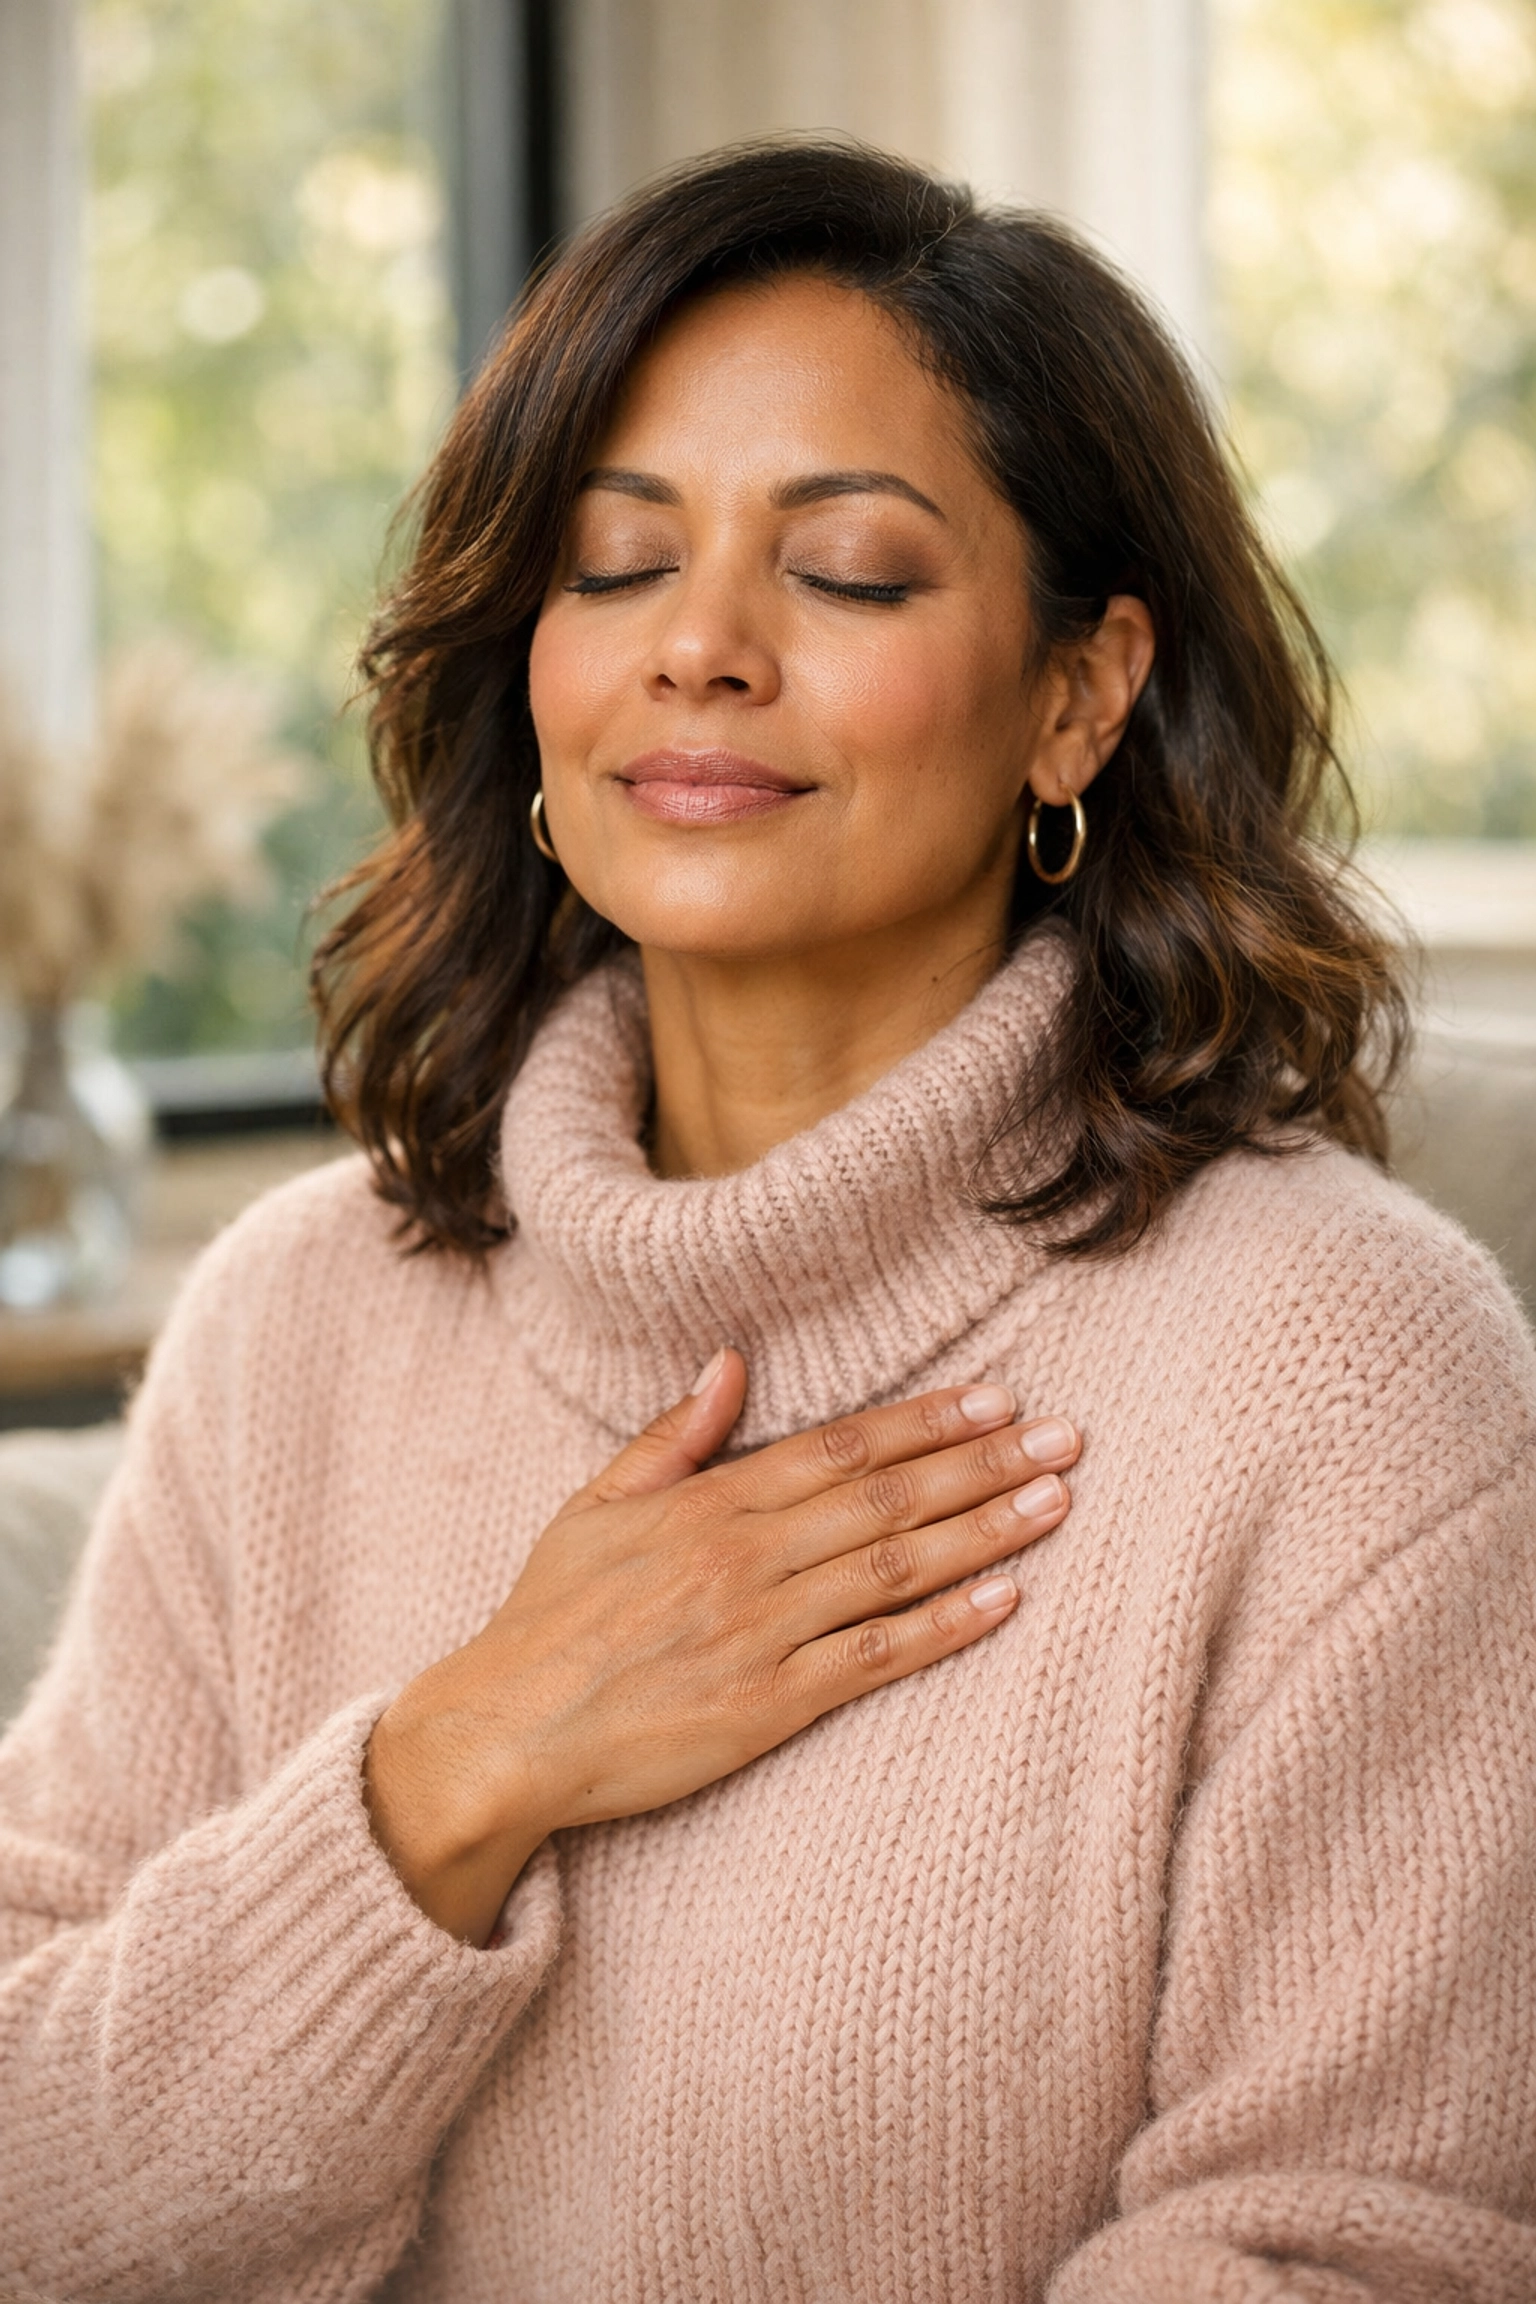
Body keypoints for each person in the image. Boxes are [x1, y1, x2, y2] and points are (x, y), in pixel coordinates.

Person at [2, 140, 1533, 2304]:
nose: (700, 650)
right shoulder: (298, 1318)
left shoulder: (1348, 1368)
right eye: (617, 563)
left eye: (850, 574)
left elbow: (1356, 2250)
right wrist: (462, 1763)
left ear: (1079, 693)